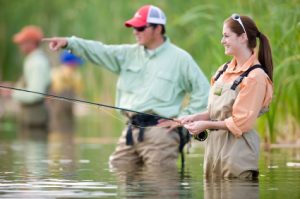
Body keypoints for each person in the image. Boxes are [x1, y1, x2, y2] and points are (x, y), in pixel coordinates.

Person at [44, 5, 210, 169]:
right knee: (118, 170)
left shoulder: (181, 59)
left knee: (160, 185)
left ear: (158, 29)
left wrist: (182, 119)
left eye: (140, 27)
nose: (135, 31)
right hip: (130, 130)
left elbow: (203, 93)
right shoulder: (128, 54)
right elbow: (100, 51)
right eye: (133, 27)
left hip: (162, 134)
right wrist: (69, 43)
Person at [180, 14, 273, 178]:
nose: (222, 41)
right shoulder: (222, 70)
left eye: (226, 36)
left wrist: (205, 125)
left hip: (237, 154)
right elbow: (215, 111)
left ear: (243, 37)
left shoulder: (255, 77)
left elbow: (241, 122)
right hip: (213, 152)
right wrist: (197, 118)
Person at [11, 25, 51, 128]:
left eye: (22, 42)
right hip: (32, 116)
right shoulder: (33, 60)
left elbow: (35, 94)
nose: (19, 45)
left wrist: (12, 92)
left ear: (32, 43)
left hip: (35, 117)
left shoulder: (37, 63)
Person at [49, 51, 84, 133]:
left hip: (67, 108)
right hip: (58, 107)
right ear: (71, 62)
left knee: (60, 127)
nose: (77, 65)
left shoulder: (54, 72)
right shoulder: (75, 75)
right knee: (62, 126)